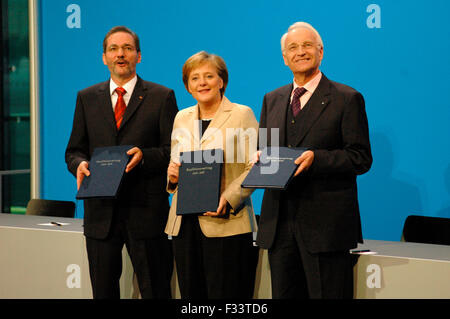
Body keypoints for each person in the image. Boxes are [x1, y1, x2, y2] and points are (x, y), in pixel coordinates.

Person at [255, 22, 372, 299]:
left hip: (326, 229)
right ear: (285, 58)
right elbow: (269, 148)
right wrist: (260, 158)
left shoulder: (347, 98)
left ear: (321, 52)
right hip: (279, 227)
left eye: (307, 45)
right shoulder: (271, 99)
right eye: (292, 48)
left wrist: (316, 159)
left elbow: (360, 158)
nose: (300, 52)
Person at [65, 26, 178, 299]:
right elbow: (74, 150)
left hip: (147, 213)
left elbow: (173, 150)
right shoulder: (86, 98)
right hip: (101, 214)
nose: (120, 54)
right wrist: (79, 164)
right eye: (113, 49)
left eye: (127, 48)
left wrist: (144, 157)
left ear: (139, 56)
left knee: (156, 290)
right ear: (104, 57)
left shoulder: (162, 96)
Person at [165, 51, 259, 299]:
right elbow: (177, 164)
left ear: (222, 81)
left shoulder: (242, 114)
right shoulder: (181, 117)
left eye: (209, 76)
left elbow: (258, 167)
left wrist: (229, 198)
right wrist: (172, 178)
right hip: (184, 225)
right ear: (187, 85)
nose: (202, 83)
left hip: (227, 224)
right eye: (195, 78)